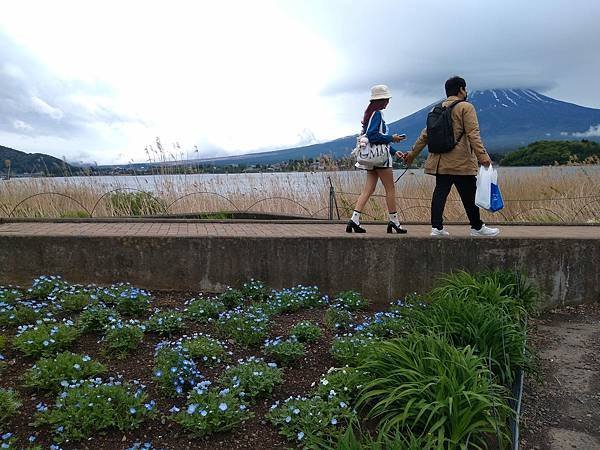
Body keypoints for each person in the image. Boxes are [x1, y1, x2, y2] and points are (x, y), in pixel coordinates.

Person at [402, 76, 499, 237]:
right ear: (461, 89)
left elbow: (425, 135)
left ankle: (436, 228)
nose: (466, 91)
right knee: (469, 194)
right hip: (460, 161)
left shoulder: (436, 109)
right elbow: (473, 134)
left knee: (440, 192)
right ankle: (477, 227)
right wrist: (483, 157)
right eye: (465, 88)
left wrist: (412, 154)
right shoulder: (465, 107)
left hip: (440, 161)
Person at [346, 84, 407, 234]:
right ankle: (394, 221)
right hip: (381, 161)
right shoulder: (378, 114)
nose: (388, 102)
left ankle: (354, 219)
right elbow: (373, 136)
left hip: (371, 160)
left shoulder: (369, 115)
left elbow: (373, 140)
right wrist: (392, 138)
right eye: (386, 99)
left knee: (368, 189)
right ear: (382, 100)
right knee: (390, 189)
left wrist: (394, 151)